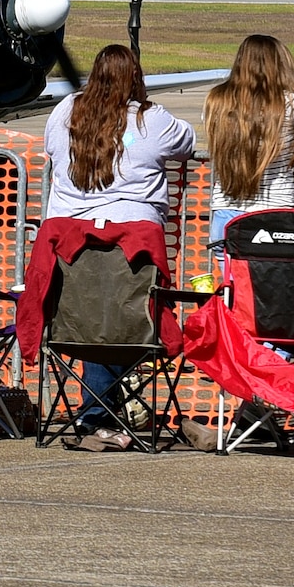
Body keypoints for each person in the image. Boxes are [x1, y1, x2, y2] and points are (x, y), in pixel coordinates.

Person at [41, 44, 197, 448]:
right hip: (132, 242)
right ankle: (99, 412)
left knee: (96, 321)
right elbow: (187, 141)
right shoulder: (151, 119)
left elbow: (50, 149)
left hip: (68, 241)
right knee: (119, 324)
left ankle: (101, 410)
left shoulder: (65, 111)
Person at [203, 33, 294, 245]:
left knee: (232, 278)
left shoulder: (217, 100)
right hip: (276, 211)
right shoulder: (291, 103)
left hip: (226, 212)